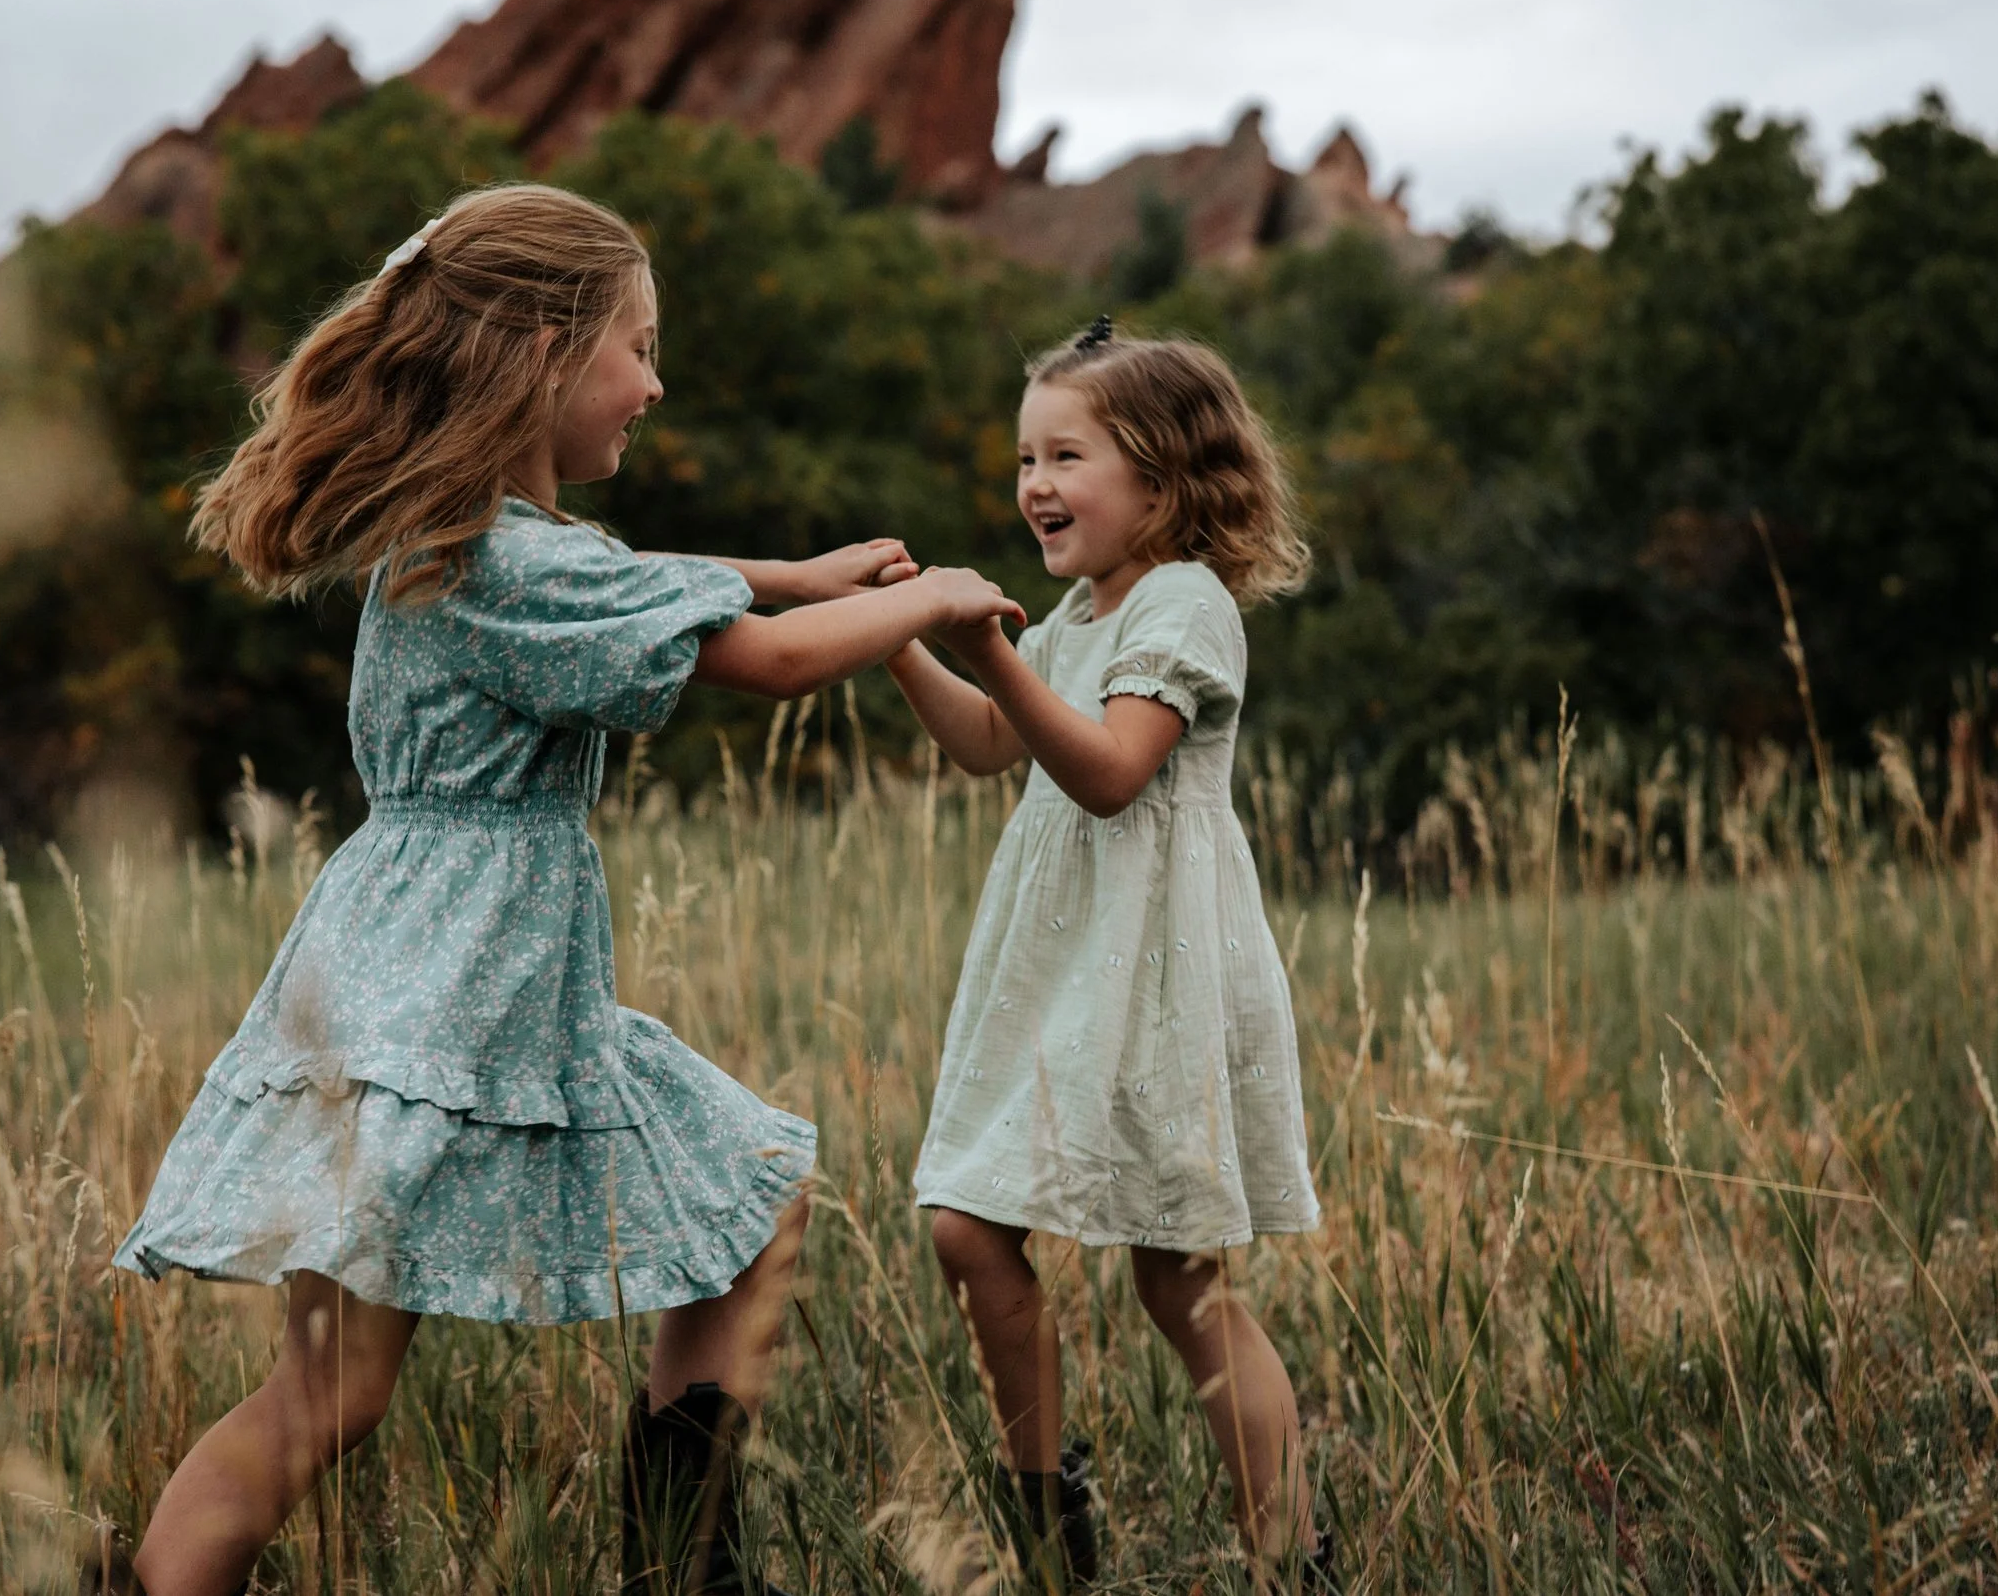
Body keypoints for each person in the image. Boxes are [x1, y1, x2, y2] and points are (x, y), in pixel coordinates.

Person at [98, 182, 1024, 1596]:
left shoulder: (478, 535)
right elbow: (761, 662)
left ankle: (679, 1563)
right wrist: (929, 598)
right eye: (636, 347)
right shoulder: (495, 556)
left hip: (500, 985)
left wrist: (798, 569)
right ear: (539, 352)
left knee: (749, 1196)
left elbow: (631, 577)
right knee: (331, 1395)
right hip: (437, 997)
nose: (654, 383)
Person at [886, 318, 1326, 1589]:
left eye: (1064, 452)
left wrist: (988, 649)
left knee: (1178, 1283)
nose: (1033, 482)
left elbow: (1109, 774)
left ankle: (1290, 1558)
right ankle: (1045, 1512)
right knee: (967, 1225)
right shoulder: (1080, 608)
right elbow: (986, 741)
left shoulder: (1183, 603)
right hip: (1061, 969)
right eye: (1025, 455)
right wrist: (906, 630)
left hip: (1157, 968)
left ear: (1162, 477)